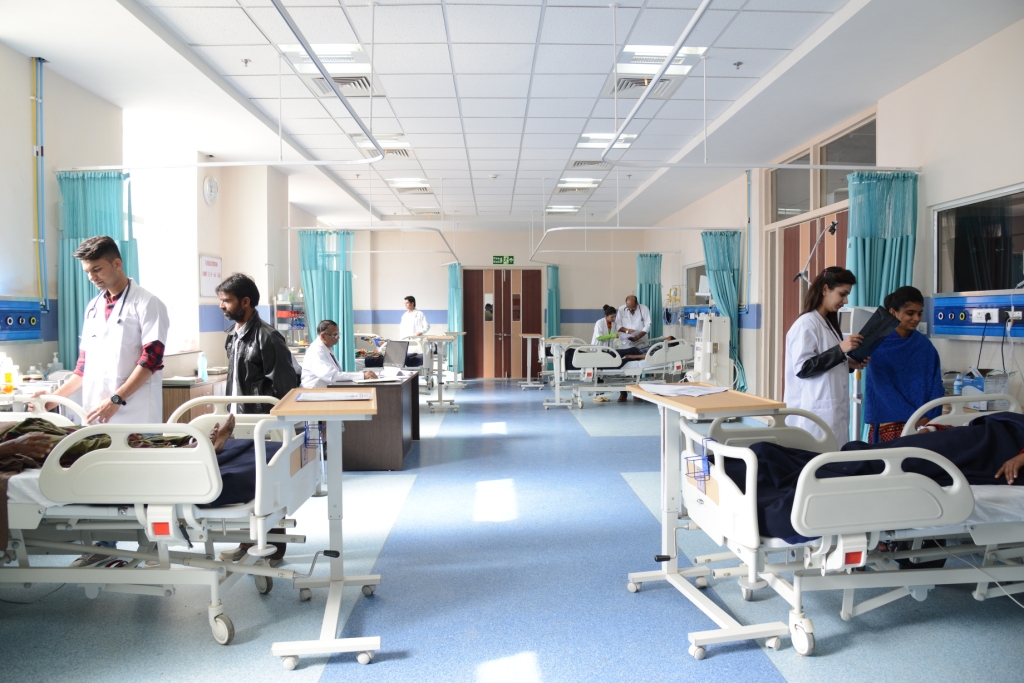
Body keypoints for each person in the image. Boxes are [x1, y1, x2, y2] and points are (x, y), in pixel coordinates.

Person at [0, 415, 238, 566]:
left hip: (19, 429)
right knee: (93, 446)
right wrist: (12, 447)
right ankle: (189, 449)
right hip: (12, 440)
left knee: (105, 437)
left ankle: (187, 445)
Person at [43, 236, 170, 425]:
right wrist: (49, 401)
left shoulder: (148, 303)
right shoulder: (93, 307)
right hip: (96, 411)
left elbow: (151, 360)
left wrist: (116, 399)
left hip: (136, 412)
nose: (91, 277)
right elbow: (83, 366)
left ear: (117, 264)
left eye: (97, 269)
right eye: (87, 272)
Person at [783, 267, 867, 447]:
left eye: (847, 295)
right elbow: (803, 368)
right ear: (825, 289)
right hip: (814, 414)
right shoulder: (806, 324)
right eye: (842, 294)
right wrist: (840, 350)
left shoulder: (827, 324)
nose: (845, 301)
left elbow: (824, 362)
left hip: (831, 413)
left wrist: (849, 363)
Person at [864, 286, 945, 442]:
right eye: (910, 313)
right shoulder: (877, 346)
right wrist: (915, 418)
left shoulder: (924, 346)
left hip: (925, 425)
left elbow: (936, 385)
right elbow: (883, 389)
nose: (916, 318)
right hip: (891, 421)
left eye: (919, 313)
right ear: (893, 312)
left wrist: (929, 418)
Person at [217, 273, 298, 414]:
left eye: (227, 301)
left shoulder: (268, 337)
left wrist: (273, 421)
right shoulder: (233, 336)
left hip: (260, 420)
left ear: (245, 302)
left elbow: (285, 387)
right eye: (221, 301)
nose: (221, 306)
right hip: (237, 416)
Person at [301, 320, 378, 387]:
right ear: (323, 336)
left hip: (325, 390)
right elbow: (332, 376)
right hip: (314, 392)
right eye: (334, 335)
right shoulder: (316, 352)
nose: (338, 337)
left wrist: (360, 374)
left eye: (338, 334)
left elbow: (336, 373)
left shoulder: (326, 348)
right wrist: (362, 375)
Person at [399, 295, 429, 366]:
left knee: (418, 359)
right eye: (405, 303)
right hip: (406, 339)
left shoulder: (420, 314)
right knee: (406, 358)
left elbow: (427, 326)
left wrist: (421, 331)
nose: (405, 305)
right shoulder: (404, 315)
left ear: (412, 303)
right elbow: (401, 328)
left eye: (407, 303)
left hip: (416, 340)